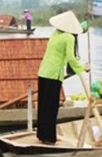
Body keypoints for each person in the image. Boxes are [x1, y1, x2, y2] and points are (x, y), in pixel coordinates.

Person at [37, 11, 90, 145]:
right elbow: (70, 57)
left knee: (44, 106)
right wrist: (83, 68)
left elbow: (64, 56)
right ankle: (49, 138)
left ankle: (42, 134)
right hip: (53, 74)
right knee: (52, 106)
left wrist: (77, 67)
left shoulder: (55, 33)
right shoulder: (69, 37)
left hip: (43, 72)